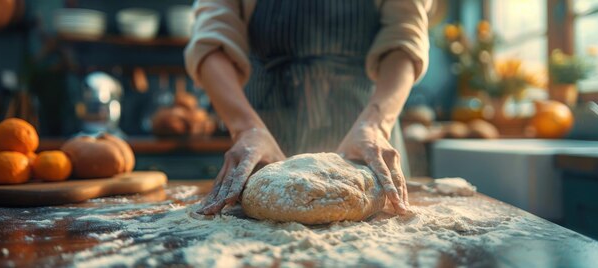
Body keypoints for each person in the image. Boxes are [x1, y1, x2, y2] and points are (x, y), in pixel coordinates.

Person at [185, 0, 432, 215]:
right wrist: (245, 129)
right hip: (265, 137)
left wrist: (375, 124)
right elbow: (211, 41)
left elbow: (404, 38)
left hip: (366, 131)